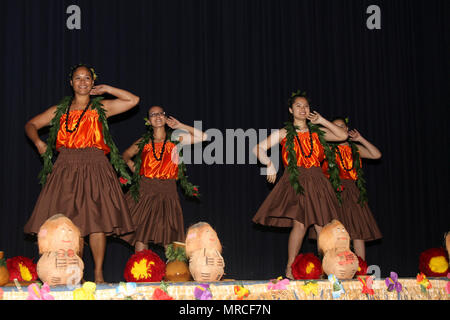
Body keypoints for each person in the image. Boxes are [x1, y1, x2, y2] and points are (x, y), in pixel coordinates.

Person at [24, 64, 139, 283]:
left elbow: (133, 100)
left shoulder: (100, 108)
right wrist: (38, 142)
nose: (83, 82)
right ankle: (72, 273)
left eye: (87, 78)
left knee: (97, 221)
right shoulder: (60, 110)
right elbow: (31, 124)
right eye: (78, 78)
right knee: (67, 222)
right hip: (66, 166)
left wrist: (108, 89)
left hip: (96, 165)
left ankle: (98, 274)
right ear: (71, 82)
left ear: (93, 83)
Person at [252, 91, 348, 279]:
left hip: (318, 181)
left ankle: (330, 269)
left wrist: (322, 121)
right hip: (296, 181)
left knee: (322, 226)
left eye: (305, 106)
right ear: (291, 110)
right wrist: (269, 164)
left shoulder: (318, 133)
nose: (303, 109)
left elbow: (342, 135)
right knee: (300, 224)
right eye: (298, 106)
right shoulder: (284, 132)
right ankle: (290, 269)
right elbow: (258, 148)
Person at [122, 105, 207, 252]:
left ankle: (173, 272)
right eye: (153, 114)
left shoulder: (175, 139)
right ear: (149, 120)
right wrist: (136, 170)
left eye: (160, 113)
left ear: (165, 117)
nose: (157, 116)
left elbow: (203, 137)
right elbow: (125, 156)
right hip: (146, 189)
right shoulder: (144, 141)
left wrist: (180, 126)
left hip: (168, 190)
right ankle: (142, 272)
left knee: (168, 233)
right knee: (142, 234)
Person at [322, 116, 382, 260]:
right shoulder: (327, 148)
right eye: (335, 126)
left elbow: (377, 154)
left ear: (347, 129)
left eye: (342, 126)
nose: (339, 129)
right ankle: (335, 265)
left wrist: (360, 139)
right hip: (333, 191)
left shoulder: (355, 149)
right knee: (335, 231)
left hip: (352, 191)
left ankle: (362, 267)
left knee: (357, 229)